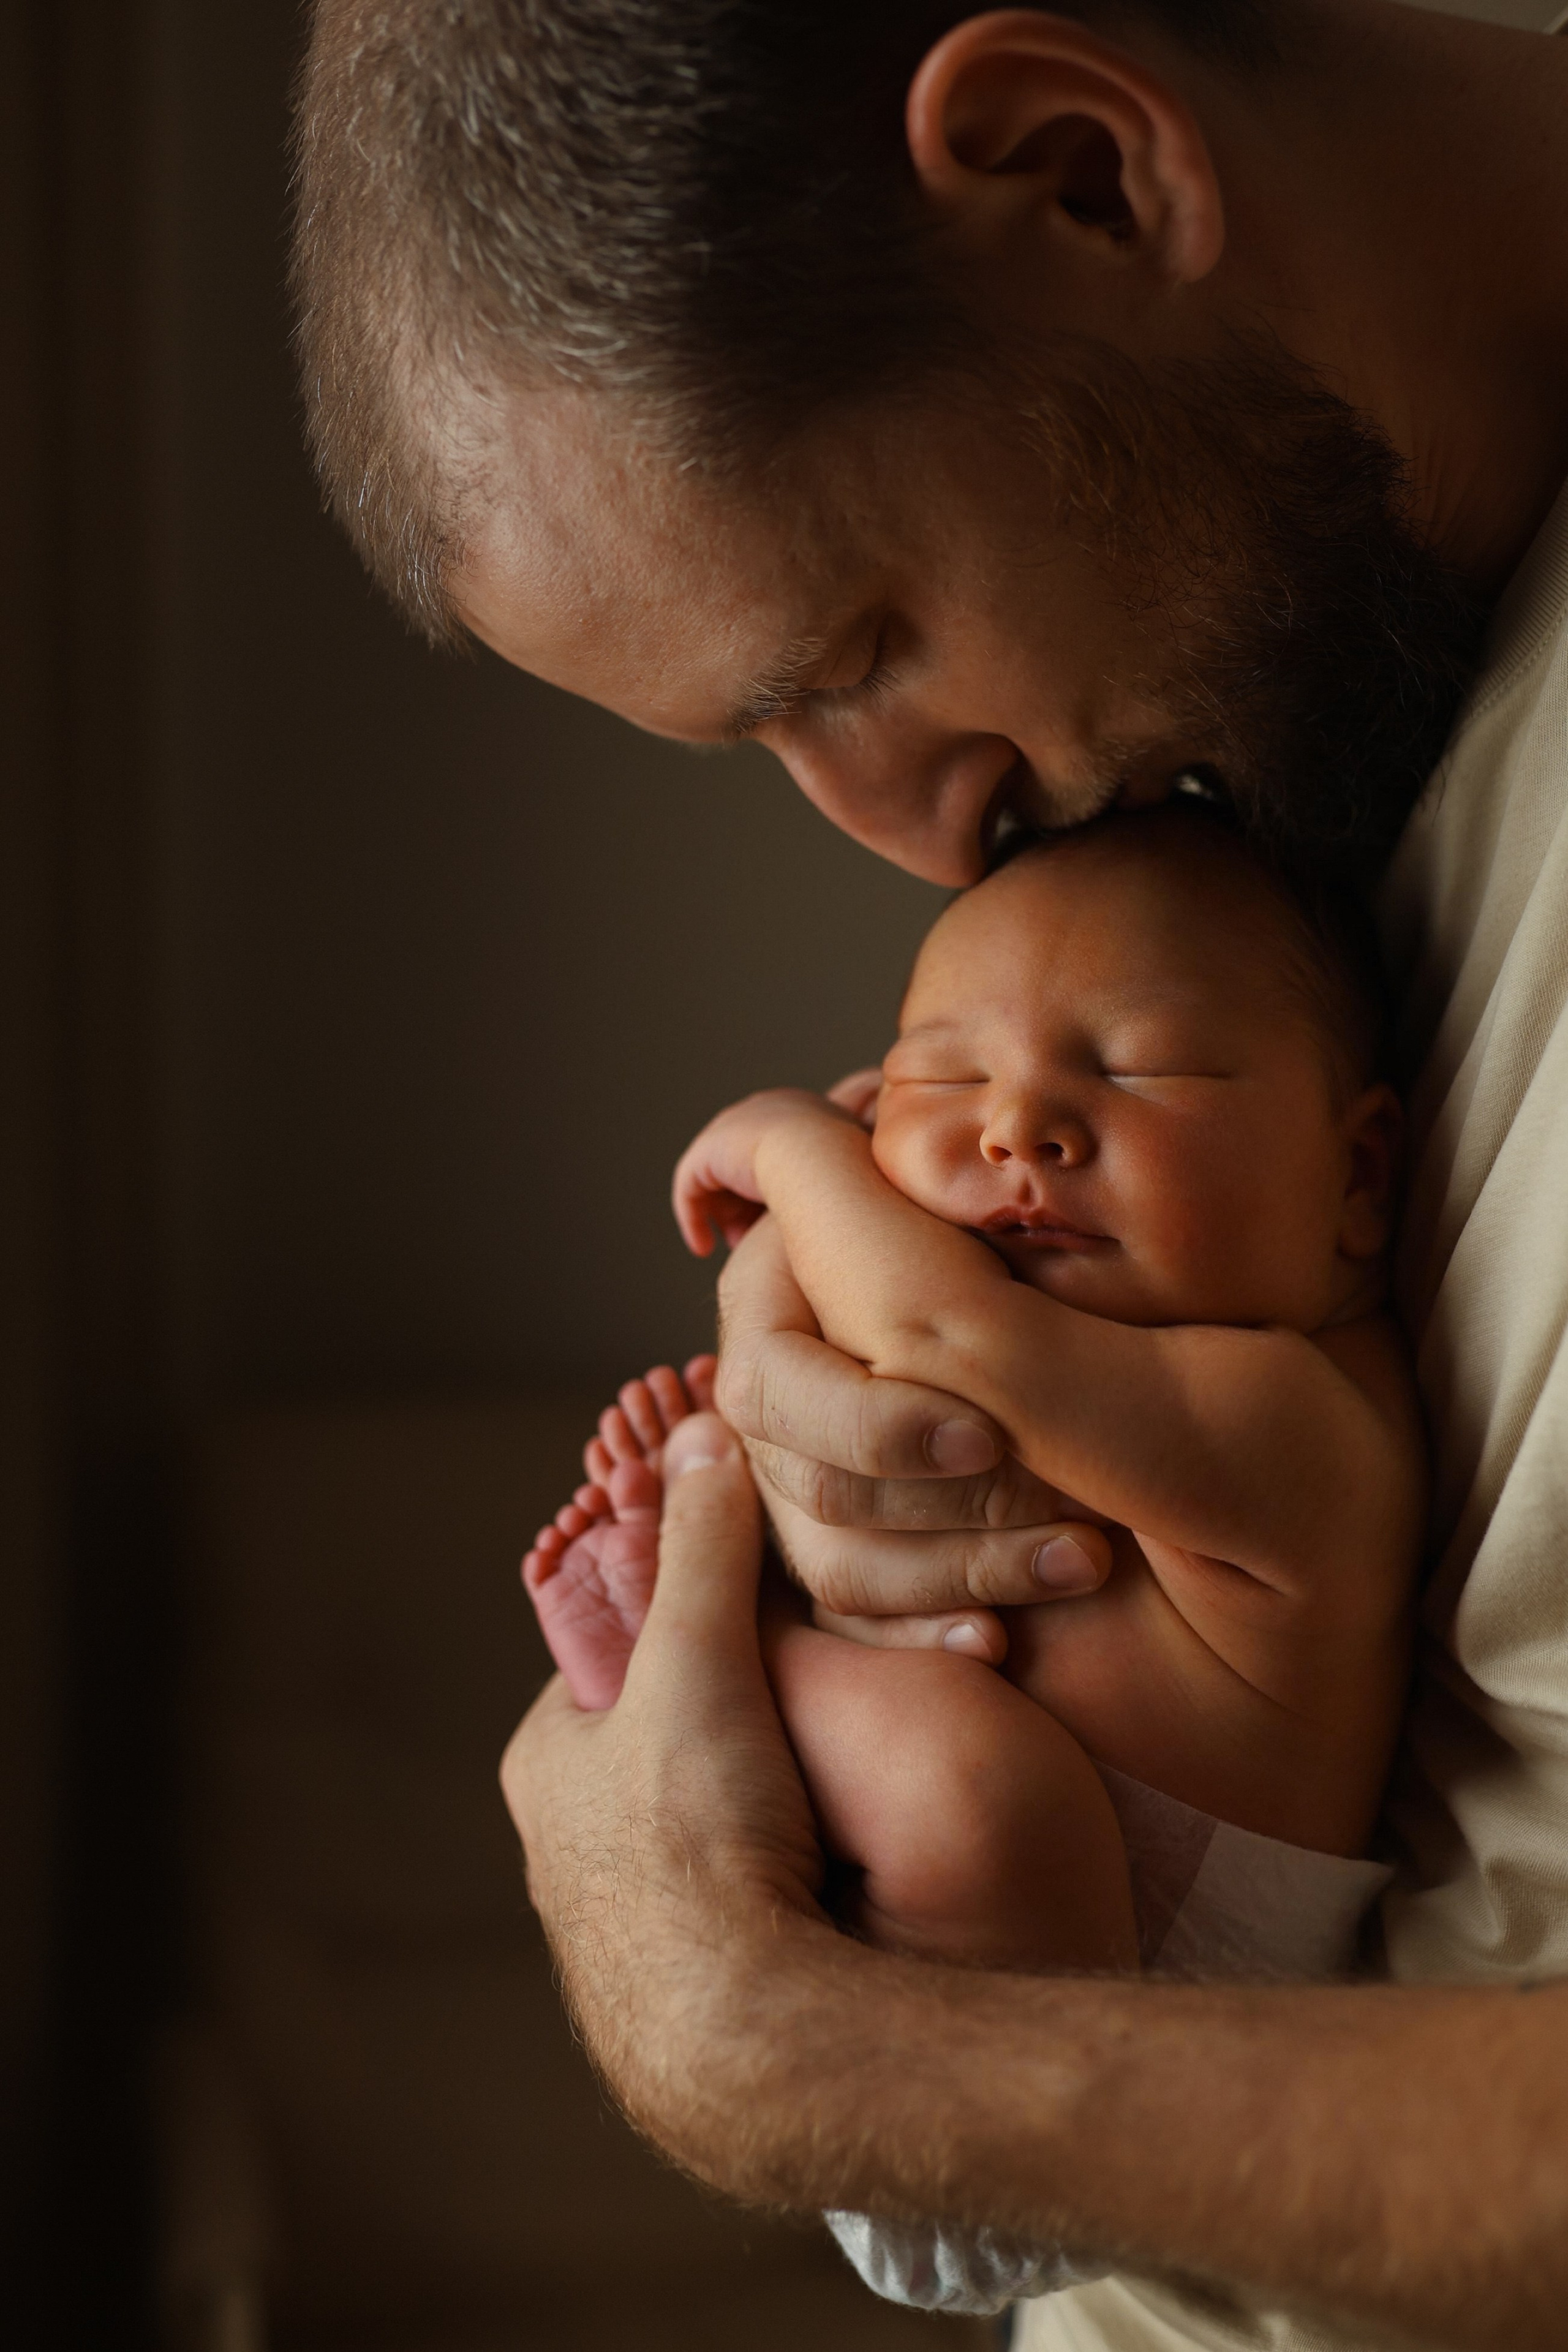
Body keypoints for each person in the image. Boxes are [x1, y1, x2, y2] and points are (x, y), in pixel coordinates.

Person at [290, 1, 1568, 2343]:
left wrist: (799, 2048)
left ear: (1087, 170)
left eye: (851, 656)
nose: (916, 832)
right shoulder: (1343, 670)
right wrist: (826, 1345)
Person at [524, 809, 1421, 2315]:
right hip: (944, 1965)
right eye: (940, 1077)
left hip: (1059, 2069)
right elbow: (907, 1338)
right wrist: (802, 1255)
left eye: (1143, 1071)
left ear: (1358, 1179)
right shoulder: (1092, 1385)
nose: (1017, 1129)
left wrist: (801, 1150)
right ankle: (705, 1600)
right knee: (928, 1702)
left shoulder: (1300, 1422)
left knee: (965, 1771)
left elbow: (943, 1336)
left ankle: (709, 1621)